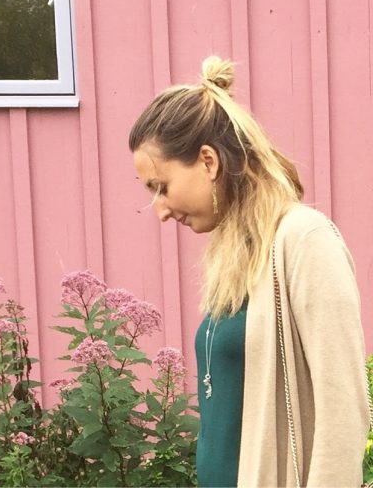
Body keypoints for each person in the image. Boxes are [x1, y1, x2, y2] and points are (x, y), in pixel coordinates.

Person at [129, 55, 370, 487]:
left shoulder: (304, 240)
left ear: (208, 161)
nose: (161, 210)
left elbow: (343, 412)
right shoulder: (236, 258)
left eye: (161, 188)